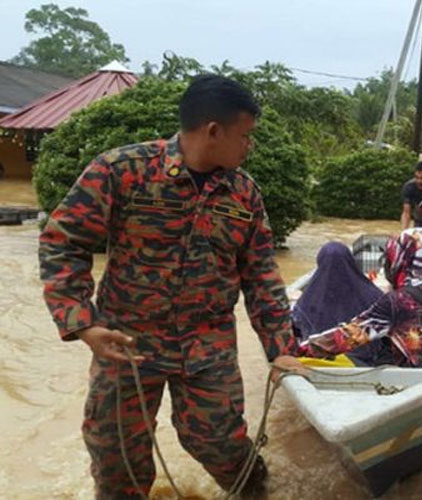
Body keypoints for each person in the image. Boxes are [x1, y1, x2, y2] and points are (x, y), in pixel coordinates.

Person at [39, 75, 294, 498]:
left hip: (207, 346)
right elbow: (63, 242)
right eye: (245, 136)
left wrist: (281, 350)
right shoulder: (121, 171)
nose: (249, 146)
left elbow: (262, 275)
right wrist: (82, 323)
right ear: (214, 131)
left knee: (221, 446)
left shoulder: (244, 195)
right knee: (115, 454)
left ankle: (259, 492)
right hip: (125, 342)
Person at [294, 227, 422, 367]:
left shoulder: (398, 300)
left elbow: (350, 336)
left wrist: (298, 351)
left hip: (415, 373)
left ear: (400, 257)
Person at [291, 241, 383, 340]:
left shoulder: (307, 300)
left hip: (321, 353)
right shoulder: (373, 295)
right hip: (367, 353)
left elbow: (297, 327)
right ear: (351, 261)